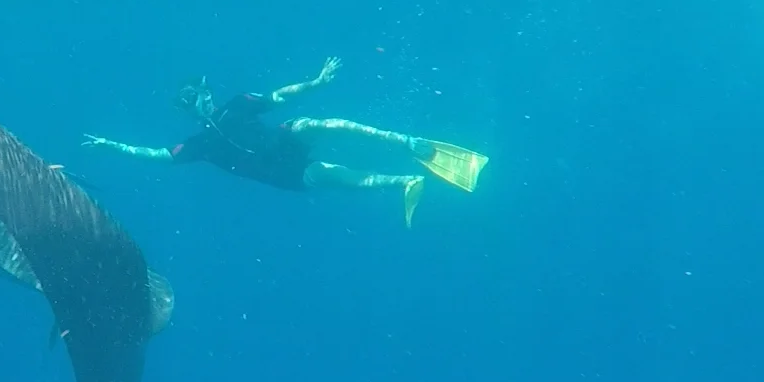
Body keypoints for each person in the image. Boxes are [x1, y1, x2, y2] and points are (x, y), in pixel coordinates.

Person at [80, 57, 487, 227]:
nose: (203, 100)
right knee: (333, 176)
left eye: (202, 93)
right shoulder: (199, 143)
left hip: (282, 144)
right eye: (195, 99)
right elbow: (158, 156)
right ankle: (403, 182)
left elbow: (278, 95)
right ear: (189, 107)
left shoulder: (236, 105)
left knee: (321, 123)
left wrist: (316, 80)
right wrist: (112, 145)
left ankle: (404, 141)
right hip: (280, 172)